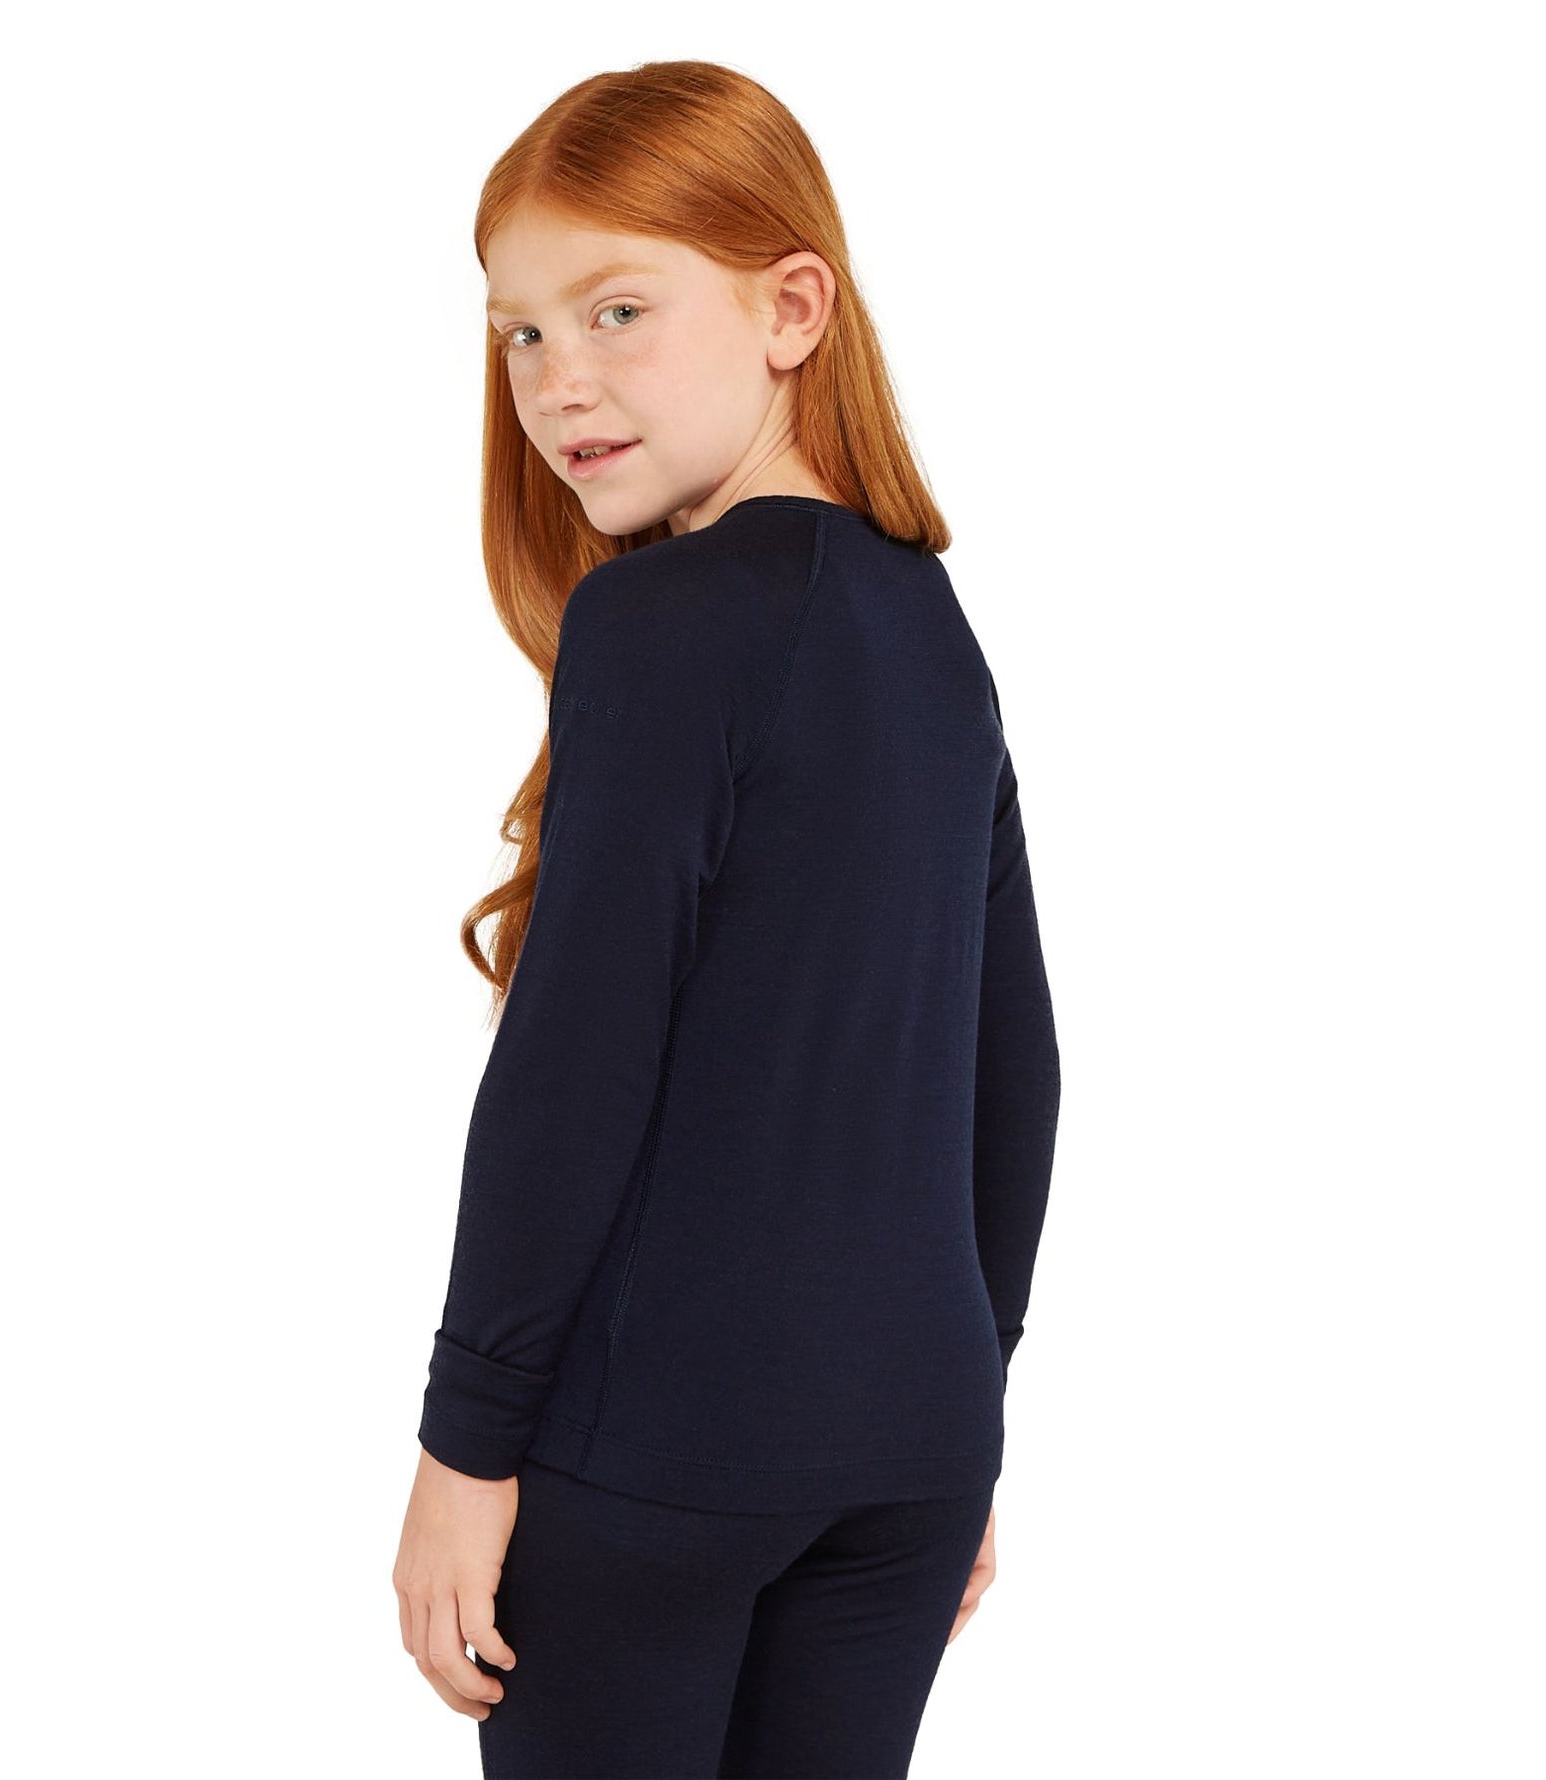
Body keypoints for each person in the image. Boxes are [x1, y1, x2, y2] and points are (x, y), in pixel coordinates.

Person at [391, 58, 1062, 1779]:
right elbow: (1016, 1071)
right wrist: (960, 1411)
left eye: (617, 309)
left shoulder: (666, 624)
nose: (557, 378)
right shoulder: (933, 631)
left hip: (657, 1461)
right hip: (906, 1461)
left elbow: (574, 1065)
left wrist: (466, 1446)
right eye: (520, 331)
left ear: (791, 309)